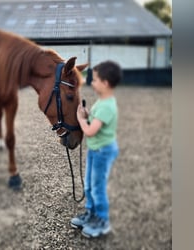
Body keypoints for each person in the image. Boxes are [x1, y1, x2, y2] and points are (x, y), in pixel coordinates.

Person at [71, 60, 122, 238]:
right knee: (89, 185)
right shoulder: (102, 102)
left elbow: (90, 131)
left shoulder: (107, 106)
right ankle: (91, 214)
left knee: (97, 187)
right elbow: (95, 121)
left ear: (106, 83)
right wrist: (88, 114)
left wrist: (81, 120)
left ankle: (102, 221)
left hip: (103, 151)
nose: (91, 83)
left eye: (95, 80)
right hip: (95, 151)